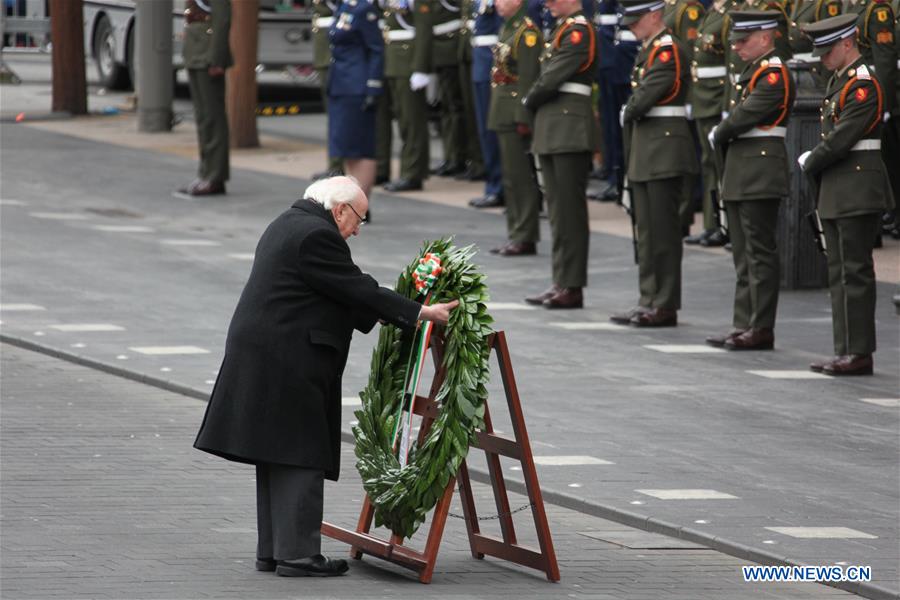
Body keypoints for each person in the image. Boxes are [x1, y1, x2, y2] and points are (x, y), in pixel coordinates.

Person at [194, 176, 458, 576]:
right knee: (300, 448)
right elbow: (355, 289)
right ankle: (298, 555)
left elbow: (340, 291)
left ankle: (275, 551)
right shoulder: (318, 236)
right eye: (359, 220)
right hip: (287, 354)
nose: (357, 231)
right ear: (340, 210)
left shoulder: (290, 222)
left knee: (276, 451)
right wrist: (421, 313)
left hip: (269, 350)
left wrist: (391, 306)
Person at [798, 14, 892, 375]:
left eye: (828, 50)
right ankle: (845, 349)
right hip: (838, 186)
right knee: (838, 271)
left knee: (854, 271)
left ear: (848, 42)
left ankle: (859, 351)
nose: (822, 59)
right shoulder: (839, 80)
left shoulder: (863, 84)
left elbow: (843, 136)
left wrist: (812, 159)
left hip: (856, 186)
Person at [705, 10, 795, 351]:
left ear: (766, 37)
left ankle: (760, 326)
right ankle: (743, 322)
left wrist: (721, 130)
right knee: (743, 254)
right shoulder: (753, 71)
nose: (737, 47)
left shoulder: (773, 74)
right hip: (742, 169)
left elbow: (744, 116)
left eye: (744, 41)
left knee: (759, 253)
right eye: (736, 41)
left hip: (759, 170)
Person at [609, 0, 698, 327]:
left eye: (637, 20)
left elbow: (647, 95)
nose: (632, 27)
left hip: (665, 150)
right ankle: (648, 298)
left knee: (662, 232)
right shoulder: (651, 49)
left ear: (655, 16)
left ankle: (663, 303)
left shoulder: (668, 50)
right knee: (646, 231)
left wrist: (629, 109)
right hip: (647, 148)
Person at [523, 0, 597, 309]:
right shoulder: (562, 29)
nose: (548, 3)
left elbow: (552, 77)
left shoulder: (579, 31)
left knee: (569, 211)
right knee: (557, 211)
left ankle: (572, 284)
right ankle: (561, 281)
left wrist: (529, 97)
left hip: (569, 127)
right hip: (554, 126)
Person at [488, 0, 543, 254]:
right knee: (510, 177)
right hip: (503, 109)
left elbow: (529, 78)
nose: (497, 3)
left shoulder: (526, 32)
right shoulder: (509, 27)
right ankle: (516, 232)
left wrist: (524, 117)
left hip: (514, 111)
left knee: (521, 177)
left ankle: (525, 234)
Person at [683, 0, 735, 248]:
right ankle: (711, 224)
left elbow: (730, 65)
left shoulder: (728, 15)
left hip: (717, 98)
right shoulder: (711, 14)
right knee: (708, 163)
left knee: (719, 165)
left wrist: (727, 106)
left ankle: (724, 225)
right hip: (703, 97)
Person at [327, 0, 384, 199]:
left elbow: (376, 49)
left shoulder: (364, 10)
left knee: (360, 148)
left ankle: (360, 203)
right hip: (340, 84)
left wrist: (373, 86)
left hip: (356, 86)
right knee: (347, 148)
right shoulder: (345, 7)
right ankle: (354, 202)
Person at [178, 0, 232, 197]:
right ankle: (206, 172)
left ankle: (215, 176)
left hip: (207, 53)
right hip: (196, 49)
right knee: (202, 118)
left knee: (212, 117)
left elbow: (222, 17)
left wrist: (217, 58)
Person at [383, 0, 432, 192]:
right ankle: (408, 170)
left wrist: (420, 68)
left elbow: (424, 28)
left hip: (408, 62)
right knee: (404, 121)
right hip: (395, 62)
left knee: (412, 122)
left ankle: (413, 173)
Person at [311, 0, 345, 180]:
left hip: (334, 51)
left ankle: (338, 164)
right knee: (333, 114)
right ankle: (335, 163)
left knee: (338, 114)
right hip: (325, 50)